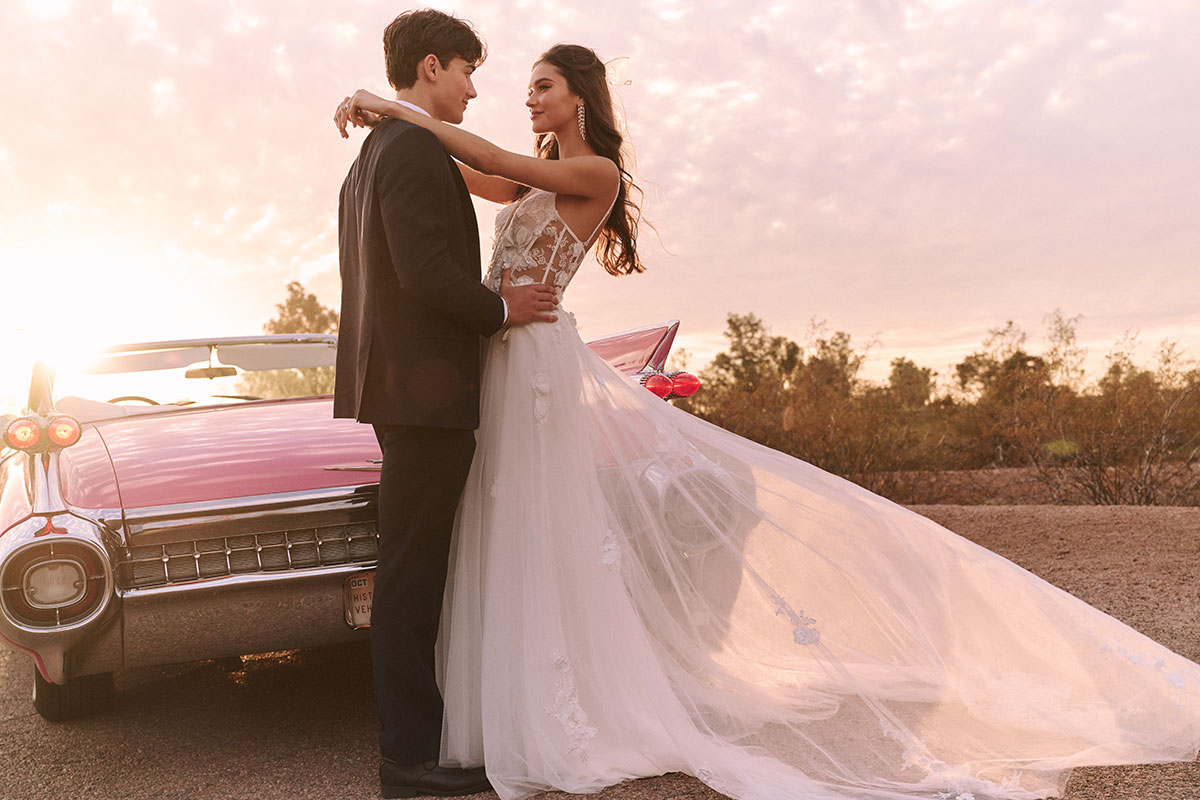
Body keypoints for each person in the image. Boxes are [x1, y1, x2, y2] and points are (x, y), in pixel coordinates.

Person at [335, 44, 1200, 800]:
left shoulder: (591, 174)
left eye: (544, 85)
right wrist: (396, 127)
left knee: (537, 523)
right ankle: (494, 709)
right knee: (501, 524)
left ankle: (554, 706)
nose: (527, 98)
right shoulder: (521, 171)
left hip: (534, 362)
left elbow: (476, 152)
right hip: (502, 355)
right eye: (521, 85)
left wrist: (387, 107)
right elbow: (472, 168)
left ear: (583, 99)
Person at [332, 10, 558, 799]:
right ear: (431, 67)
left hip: (399, 390)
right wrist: (503, 311)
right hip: (423, 395)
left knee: (416, 569)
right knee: (412, 574)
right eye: (467, 71)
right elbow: (425, 271)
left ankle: (418, 743)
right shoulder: (412, 148)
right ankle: (408, 758)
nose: (472, 87)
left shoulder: (374, 152)